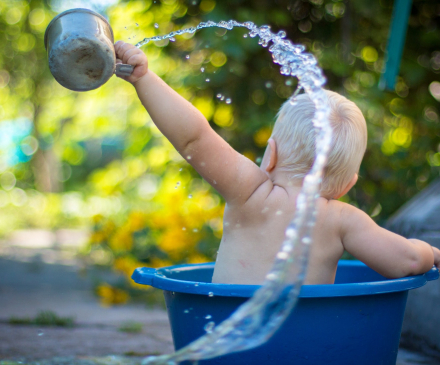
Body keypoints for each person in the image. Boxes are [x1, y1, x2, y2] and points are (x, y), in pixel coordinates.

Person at [114, 41, 440, 285]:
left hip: (228, 336)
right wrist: (432, 253)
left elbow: (194, 138)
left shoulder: (250, 193)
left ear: (269, 155)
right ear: (348, 184)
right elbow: (406, 261)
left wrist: (144, 78)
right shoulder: (343, 220)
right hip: (304, 347)